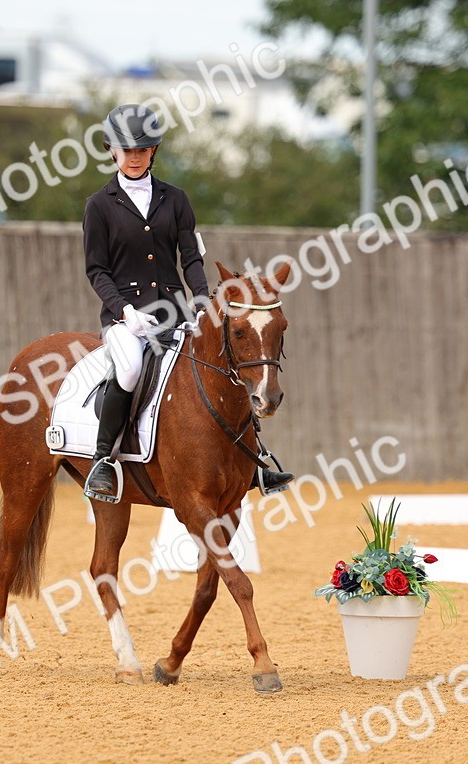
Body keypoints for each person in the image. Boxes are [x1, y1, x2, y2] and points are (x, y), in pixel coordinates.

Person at [81, 103, 293, 501]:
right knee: (129, 369)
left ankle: (254, 461)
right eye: (127, 150)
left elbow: (191, 258)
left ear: (153, 152)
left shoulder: (175, 198)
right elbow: (97, 270)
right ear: (112, 150)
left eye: (142, 150)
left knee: (224, 365)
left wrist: (199, 302)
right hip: (125, 318)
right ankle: (103, 460)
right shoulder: (99, 205)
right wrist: (125, 311)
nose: (134, 157)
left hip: (175, 311)